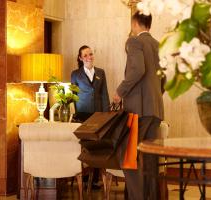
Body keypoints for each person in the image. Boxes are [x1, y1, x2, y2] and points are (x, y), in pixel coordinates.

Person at [113, 12, 165, 200]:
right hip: (156, 110)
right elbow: (163, 77)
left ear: (135, 23)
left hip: (138, 110)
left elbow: (137, 69)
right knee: (151, 160)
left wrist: (120, 92)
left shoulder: (134, 42)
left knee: (127, 154)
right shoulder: (159, 45)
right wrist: (155, 96)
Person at [71, 45, 110, 188]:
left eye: (90, 54)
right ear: (80, 58)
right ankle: (85, 176)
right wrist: (74, 114)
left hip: (98, 115)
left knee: (97, 146)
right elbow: (73, 96)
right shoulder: (75, 74)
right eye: (85, 55)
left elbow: (104, 94)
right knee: (85, 146)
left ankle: (95, 178)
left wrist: (106, 115)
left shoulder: (101, 72)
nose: (89, 57)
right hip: (83, 115)